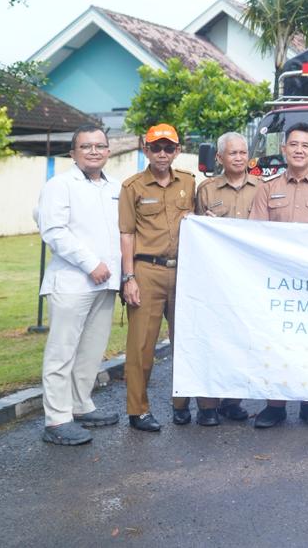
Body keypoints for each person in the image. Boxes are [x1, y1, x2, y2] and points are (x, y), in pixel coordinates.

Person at [34, 124, 121, 445]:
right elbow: (53, 230)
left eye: (100, 146)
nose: (94, 151)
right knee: (62, 352)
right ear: (73, 153)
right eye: (86, 146)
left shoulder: (116, 187)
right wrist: (90, 263)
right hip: (72, 282)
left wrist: (124, 275)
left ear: (109, 151)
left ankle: (80, 405)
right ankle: (57, 420)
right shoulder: (59, 185)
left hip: (106, 284)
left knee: (91, 351)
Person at [247, 122, 308, 429]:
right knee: (275, 341)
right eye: (293, 144)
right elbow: (255, 234)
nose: (299, 150)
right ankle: (274, 405)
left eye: (305, 145)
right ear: (283, 149)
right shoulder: (267, 189)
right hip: (277, 281)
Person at [118, 124, 198, 432]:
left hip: (184, 273)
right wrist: (129, 277)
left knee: (187, 341)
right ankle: (138, 410)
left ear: (177, 150)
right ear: (145, 150)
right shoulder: (133, 187)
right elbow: (126, 234)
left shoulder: (190, 184)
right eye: (156, 148)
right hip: (147, 271)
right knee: (141, 347)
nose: (162, 154)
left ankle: (182, 404)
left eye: (168, 147)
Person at [191, 130, 261, 425]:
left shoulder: (262, 187)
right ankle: (207, 405)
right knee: (211, 338)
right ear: (219, 158)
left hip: (249, 278)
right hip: (215, 278)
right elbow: (196, 233)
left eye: (243, 152)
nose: (239, 158)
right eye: (232, 153)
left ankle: (232, 401)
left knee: (241, 339)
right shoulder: (206, 190)